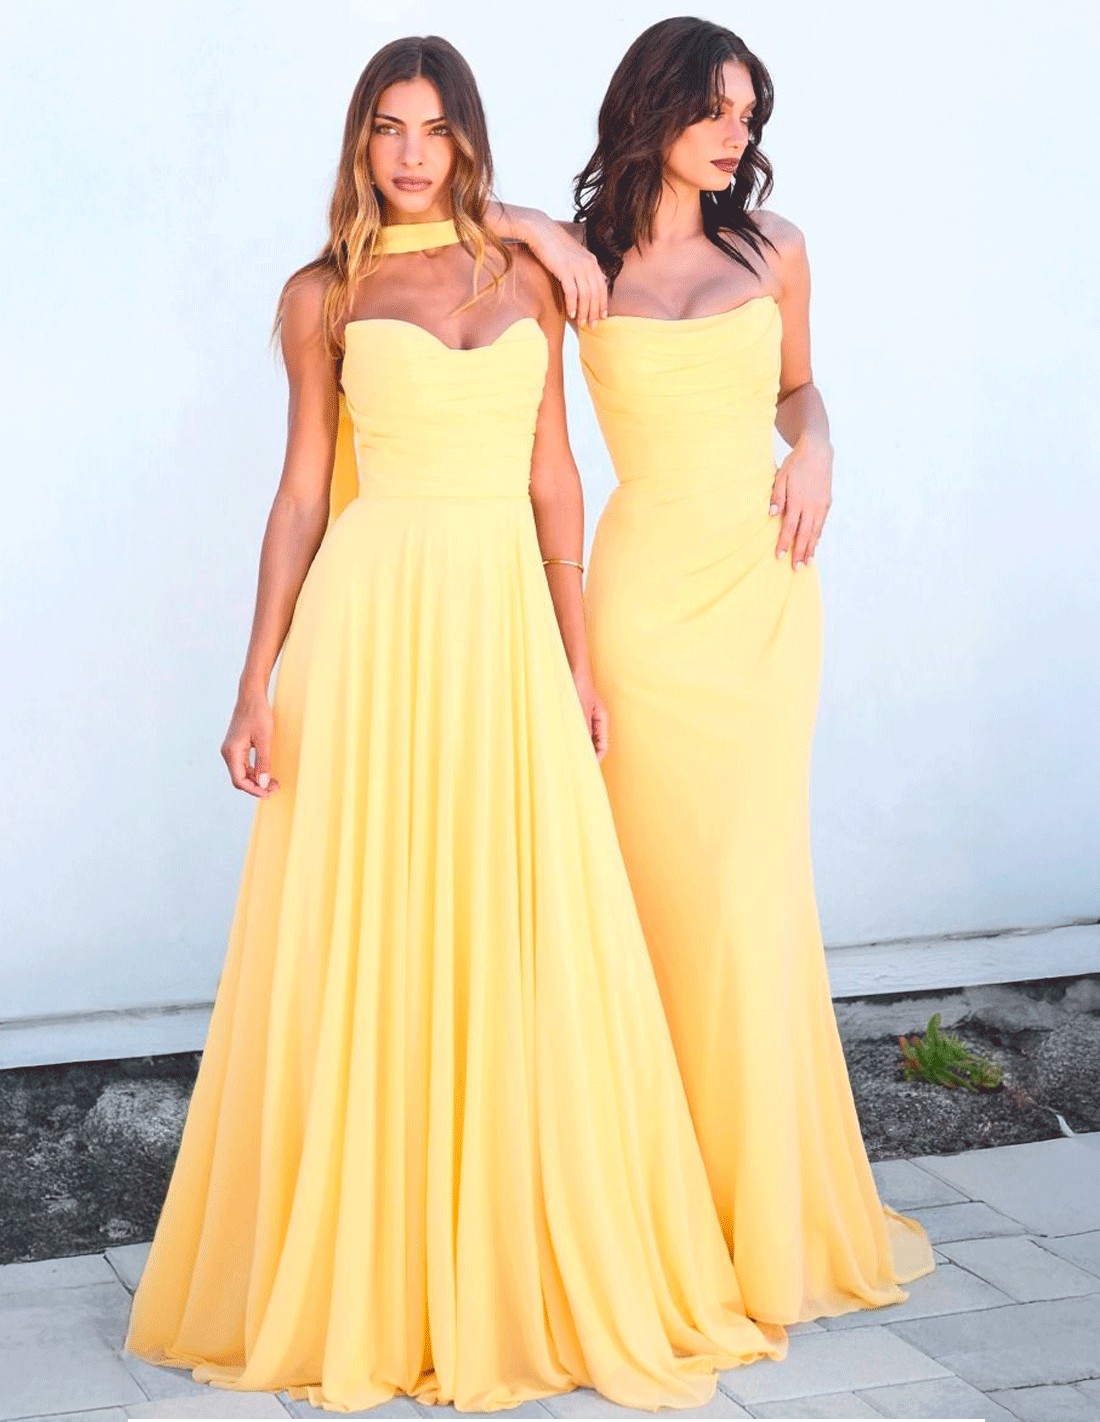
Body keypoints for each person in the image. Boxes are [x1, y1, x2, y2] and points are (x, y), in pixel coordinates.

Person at [123, 34, 784, 1413]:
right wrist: (253, 681)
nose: (411, 153)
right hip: (370, 630)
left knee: (517, 920)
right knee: (376, 923)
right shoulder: (323, 292)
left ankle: (505, 1246)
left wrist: (579, 658)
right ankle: (372, 1261)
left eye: (433, 128)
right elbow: (302, 495)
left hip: (505, 626)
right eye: (388, 128)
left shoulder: (530, 273)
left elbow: (556, 482)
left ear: (468, 138)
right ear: (361, 143)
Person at [507, 16, 934, 1325]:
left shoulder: (777, 248)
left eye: (749, 112)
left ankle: (760, 1209)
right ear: (653, 108)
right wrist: (531, 224)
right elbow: (450, 211)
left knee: (748, 884)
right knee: (646, 891)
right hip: (640, 606)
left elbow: (801, 391)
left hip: (762, 590)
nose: (737, 133)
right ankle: (652, 1202)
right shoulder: (577, 265)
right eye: (715, 108)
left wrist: (820, 449)